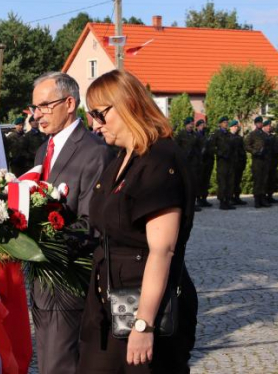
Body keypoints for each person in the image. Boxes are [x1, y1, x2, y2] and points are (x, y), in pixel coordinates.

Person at [78, 69, 197, 374]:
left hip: (143, 307)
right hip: (109, 304)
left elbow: (162, 250)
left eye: (99, 114)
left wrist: (143, 326)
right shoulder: (122, 158)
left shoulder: (159, 160)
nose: (94, 124)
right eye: (90, 115)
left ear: (128, 104)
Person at [30, 71, 113, 374]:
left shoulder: (95, 152)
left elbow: (94, 224)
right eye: (34, 108)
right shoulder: (44, 149)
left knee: (61, 367)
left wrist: (35, 241)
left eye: (44, 106)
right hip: (43, 282)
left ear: (69, 103)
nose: (37, 115)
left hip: (71, 284)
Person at [174, 117, 204, 212]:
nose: (191, 125)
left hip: (194, 163)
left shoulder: (195, 135)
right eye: (189, 124)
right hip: (184, 162)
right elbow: (175, 147)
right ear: (185, 125)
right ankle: (184, 203)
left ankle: (193, 203)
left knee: (193, 183)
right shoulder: (180, 135)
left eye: (192, 124)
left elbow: (200, 147)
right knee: (185, 183)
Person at [245, 116, 270, 209]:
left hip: (265, 160)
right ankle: (257, 200)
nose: (260, 124)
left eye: (261, 122)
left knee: (264, 180)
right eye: (258, 123)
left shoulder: (265, 135)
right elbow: (247, 146)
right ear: (255, 124)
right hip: (257, 160)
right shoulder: (252, 134)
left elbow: (269, 146)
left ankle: (263, 198)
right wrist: (255, 151)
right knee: (258, 180)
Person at [213, 116, 235, 211]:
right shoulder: (216, 134)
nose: (226, 124)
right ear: (220, 124)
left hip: (230, 161)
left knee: (230, 181)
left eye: (227, 122)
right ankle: (222, 201)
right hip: (222, 161)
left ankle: (228, 200)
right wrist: (220, 154)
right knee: (222, 182)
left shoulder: (229, 134)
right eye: (224, 122)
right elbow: (212, 147)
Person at [228, 120, 248, 206]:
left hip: (239, 162)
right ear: (230, 127)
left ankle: (237, 197)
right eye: (234, 126)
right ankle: (230, 198)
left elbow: (242, 150)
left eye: (237, 126)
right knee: (231, 181)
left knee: (237, 181)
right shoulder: (228, 137)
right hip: (231, 163)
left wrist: (243, 161)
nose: (236, 128)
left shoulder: (239, 138)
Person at [195, 120, 213, 208]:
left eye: (204, 125)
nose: (203, 127)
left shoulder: (205, 135)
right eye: (201, 125)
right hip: (200, 161)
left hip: (207, 160)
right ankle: (199, 199)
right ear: (197, 127)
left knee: (206, 180)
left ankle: (204, 198)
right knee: (199, 180)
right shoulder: (196, 136)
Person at [264, 120, 278, 204]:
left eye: (269, 126)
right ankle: (264, 197)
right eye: (267, 126)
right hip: (264, 162)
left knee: (271, 179)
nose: (268, 127)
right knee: (265, 180)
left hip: (273, 161)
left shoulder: (273, 137)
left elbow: (277, 147)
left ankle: (270, 196)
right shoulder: (262, 136)